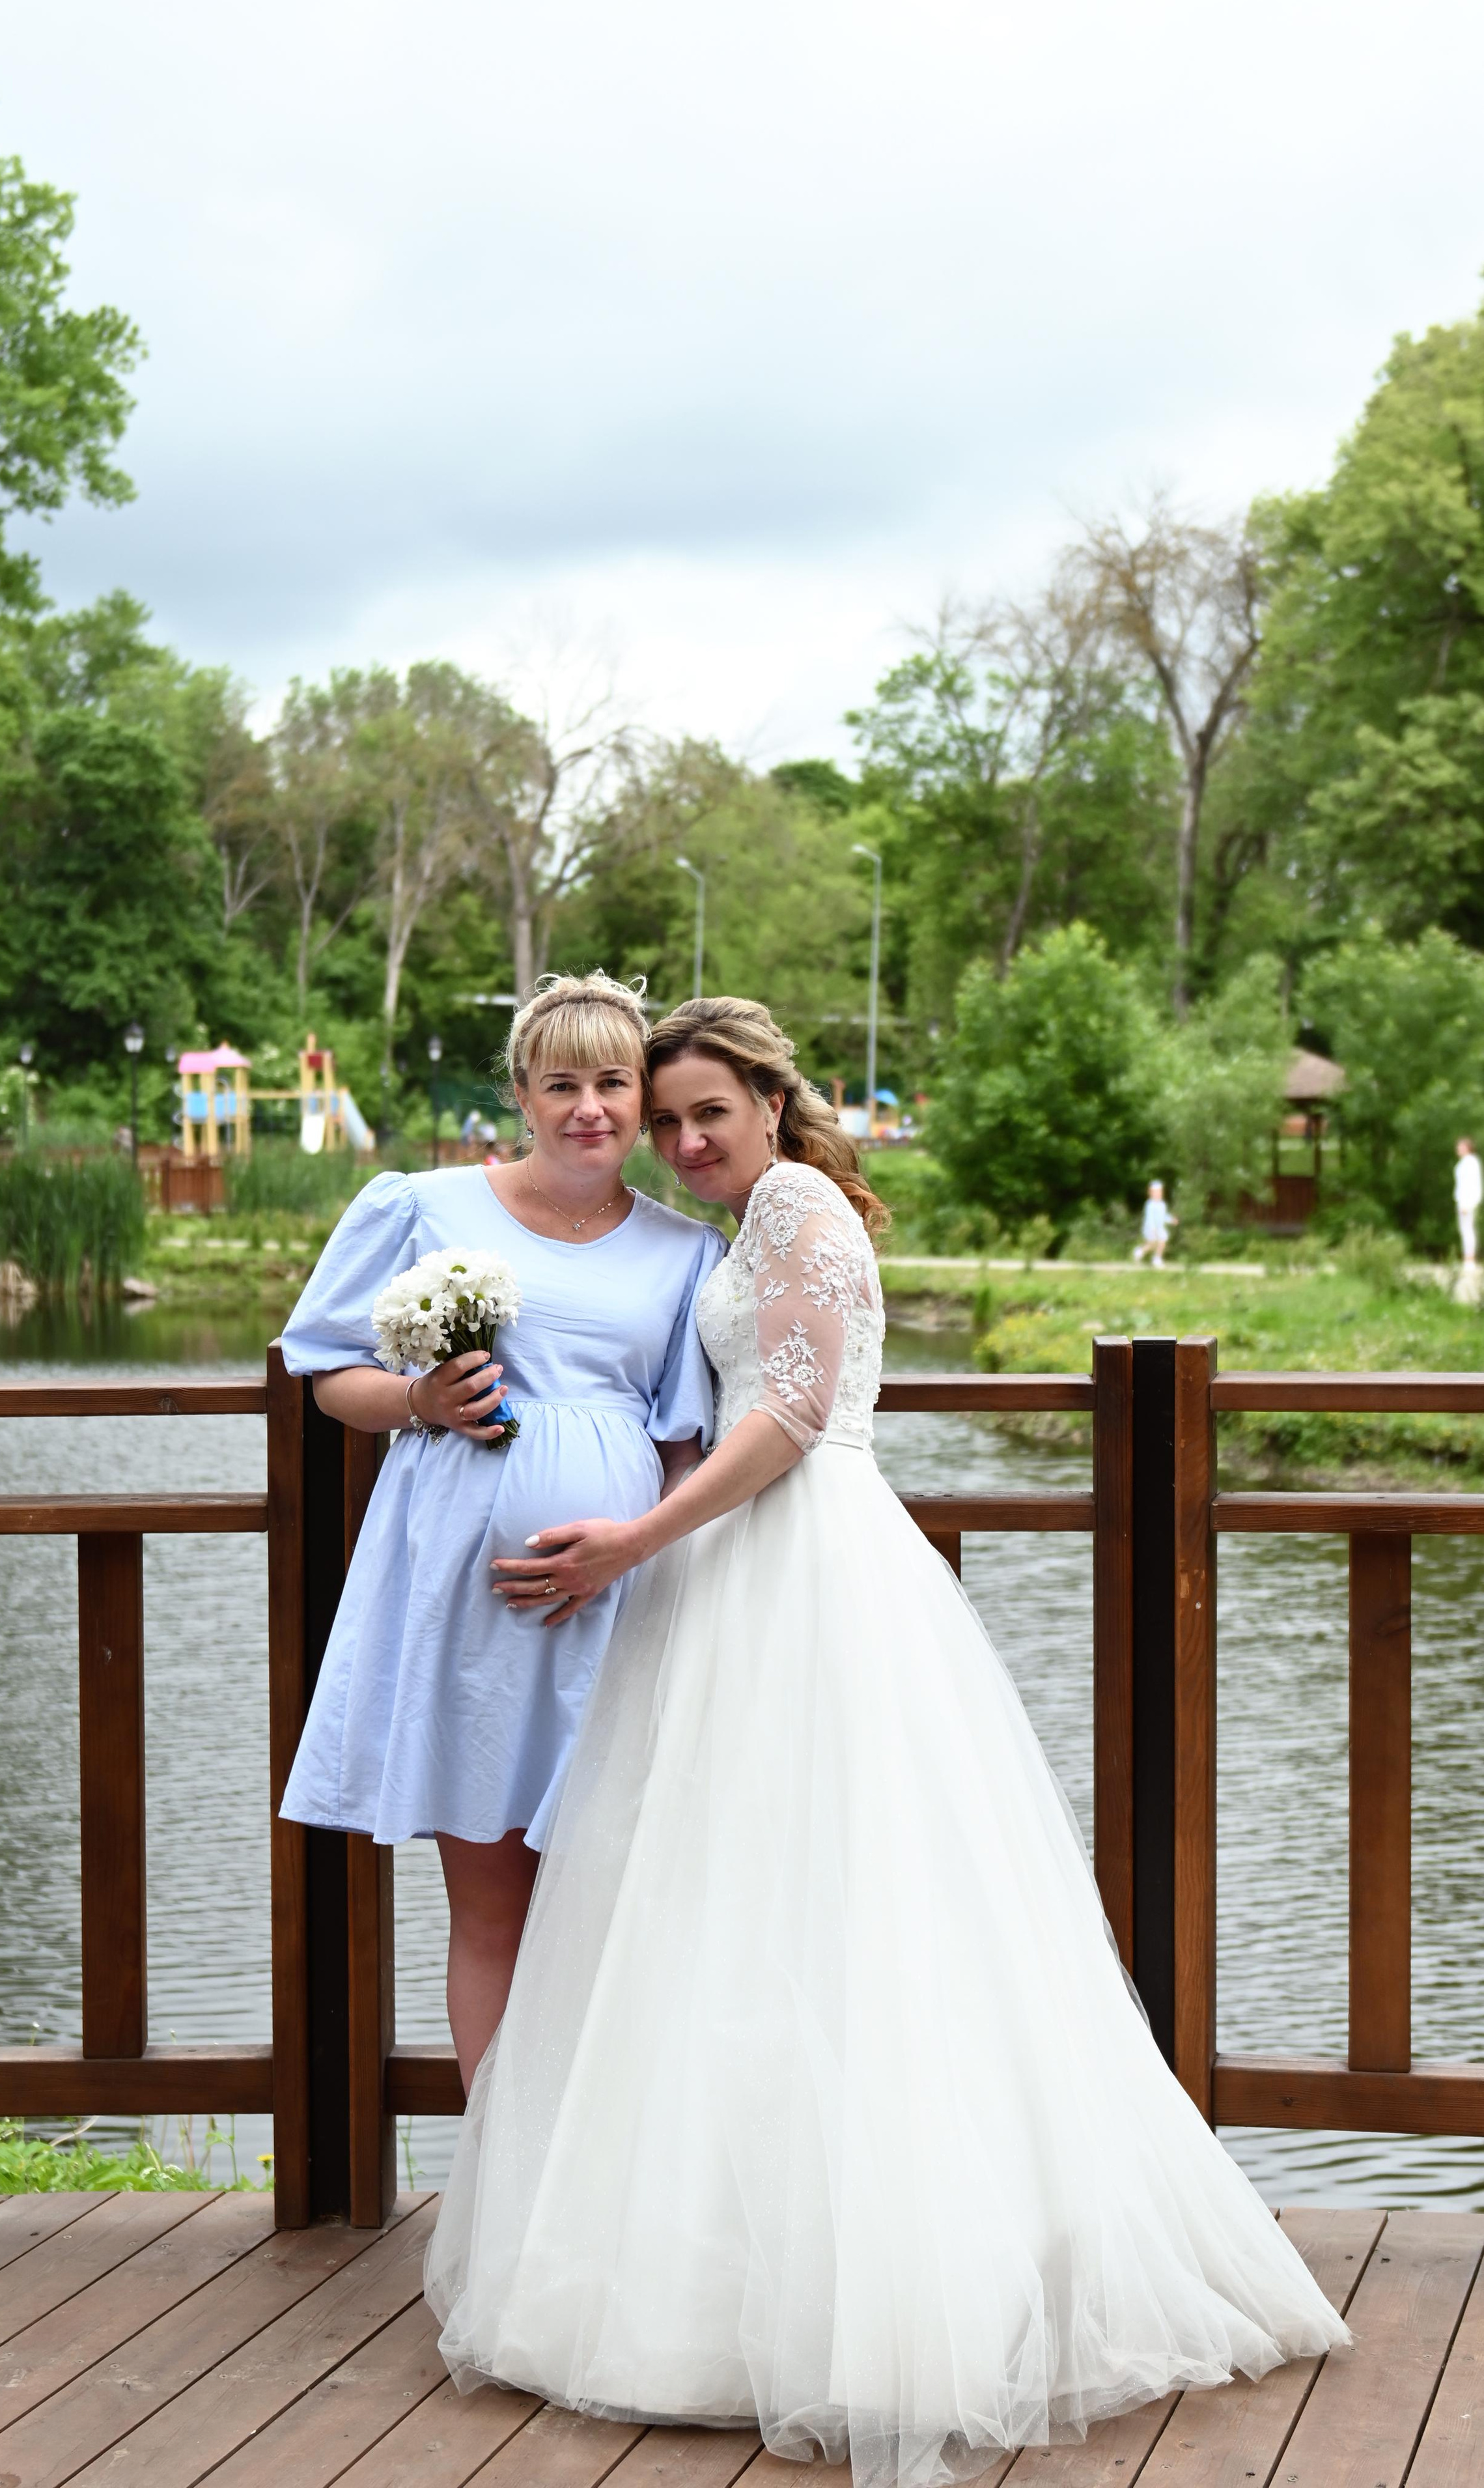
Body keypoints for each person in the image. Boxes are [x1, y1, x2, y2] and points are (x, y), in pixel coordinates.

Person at [427, 995, 1345, 2487]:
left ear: (769, 1104)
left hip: (809, 1570)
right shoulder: (743, 1226)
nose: (683, 1138)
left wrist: (632, 1540)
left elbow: (790, 1415)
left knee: (848, 1913)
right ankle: (722, 2271)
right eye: (669, 1117)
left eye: (707, 1111)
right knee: (726, 1912)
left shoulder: (794, 1205)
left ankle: (885, 2292)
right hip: (732, 1577)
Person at [277, 972, 723, 2087]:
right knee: (490, 1912)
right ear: (520, 1094)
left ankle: (601, 2164)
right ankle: (500, 2169)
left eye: (613, 1083)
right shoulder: (423, 1208)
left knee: (612, 1907)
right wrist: (419, 1400)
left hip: (612, 1601)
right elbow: (327, 1371)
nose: (589, 1108)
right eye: (561, 1084)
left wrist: (634, 1550)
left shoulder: (685, 1251)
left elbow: (682, 1439)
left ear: (643, 1098)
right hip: (468, 1601)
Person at [1133, 1178, 1176, 1265]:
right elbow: (1150, 1218)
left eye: (1159, 1192)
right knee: (1152, 1244)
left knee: (1162, 1241)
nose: (1157, 1194)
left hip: (1160, 1228)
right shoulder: (1150, 1204)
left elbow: (1164, 1216)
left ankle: (1157, 1259)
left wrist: (1171, 1220)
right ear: (1151, 1193)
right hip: (1150, 1228)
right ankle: (1140, 1251)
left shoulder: (1162, 1204)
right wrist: (1153, 1229)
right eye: (1155, 1192)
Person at [1456, 1138, 1481, 1266]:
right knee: (1464, 1230)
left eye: (1460, 1147)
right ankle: (1467, 1258)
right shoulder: (1463, 1163)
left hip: (1467, 1201)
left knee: (1468, 1230)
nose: (1458, 1149)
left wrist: (1469, 1203)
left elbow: (1472, 1184)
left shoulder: (1471, 1162)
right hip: (1462, 1200)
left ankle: (1470, 1259)